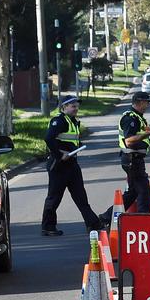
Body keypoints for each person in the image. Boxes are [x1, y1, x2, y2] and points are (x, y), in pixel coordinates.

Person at [41, 95, 107, 237]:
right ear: (64, 107)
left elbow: (69, 140)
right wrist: (60, 154)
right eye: (73, 106)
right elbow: (48, 139)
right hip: (59, 165)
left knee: (80, 196)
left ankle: (93, 224)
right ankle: (48, 227)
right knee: (54, 198)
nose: (76, 108)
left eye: (77, 106)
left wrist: (76, 147)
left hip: (72, 164)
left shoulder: (73, 121)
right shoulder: (59, 121)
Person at [118, 91, 150, 213]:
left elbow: (138, 133)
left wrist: (147, 131)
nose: (148, 106)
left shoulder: (137, 117)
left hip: (134, 159)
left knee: (132, 193)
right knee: (143, 191)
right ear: (140, 102)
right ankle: (143, 219)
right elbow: (129, 141)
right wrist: (147, 134)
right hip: (131, 159)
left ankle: (107, 217)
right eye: (146, 103)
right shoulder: (130, 118)